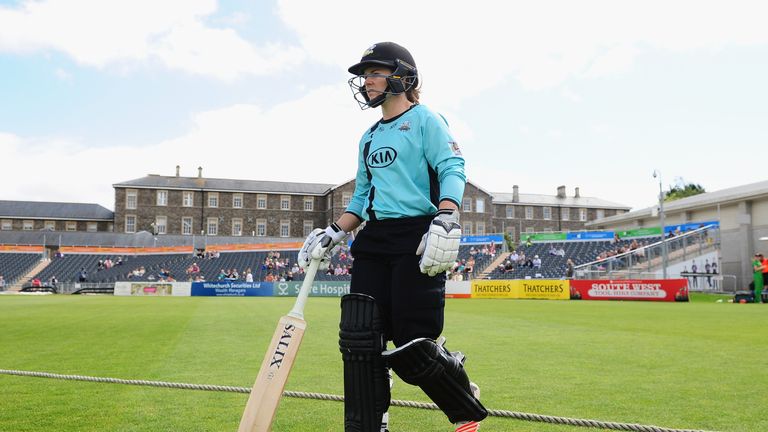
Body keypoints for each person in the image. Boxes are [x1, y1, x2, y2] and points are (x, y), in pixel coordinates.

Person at [298, 42, 486, 432]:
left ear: (402, 76)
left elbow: (452, 166)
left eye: (374, 72)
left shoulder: (425, 120)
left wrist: (446, 216)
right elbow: (362, 197)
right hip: (374, 239)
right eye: (364, 75)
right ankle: (371, 420)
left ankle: (463, 398)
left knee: (413, 345)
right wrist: (333, 232)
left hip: (418, 236)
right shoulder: (368, 138)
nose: (366, 81)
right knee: (360, 338)